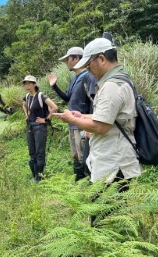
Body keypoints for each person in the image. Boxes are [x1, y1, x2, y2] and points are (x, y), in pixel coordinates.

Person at [52, 38, 142, 186]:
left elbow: (101, 127)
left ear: (101, 59)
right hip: (114, 162)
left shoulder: (111, 86)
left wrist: (72, 119)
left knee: (106, 207)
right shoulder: (120, 80)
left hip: (113, 165)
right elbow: (111, 118)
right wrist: (82, 116)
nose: (88, 70)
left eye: (89, 65)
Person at [48, 47, 97, 181]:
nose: (66, 63)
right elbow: (67, 98)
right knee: (75, 156)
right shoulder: (74, 78)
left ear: (76, 58)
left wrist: (90, 128)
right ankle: (78, 187)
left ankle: (88, 188)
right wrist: (54, 86)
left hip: (83, 124)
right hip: (72, 123)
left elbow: (94, 101)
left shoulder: (88, 77)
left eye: (67, 60)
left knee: (84, 157)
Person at [22, 75, 58, 182]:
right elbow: (23, 104)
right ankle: (34, 177)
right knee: (32, 153)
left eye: (29, 83)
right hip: (30, 126)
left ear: (34, 84)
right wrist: (26, 114)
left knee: (39, 153)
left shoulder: (41, 96)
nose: (26, 85)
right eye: (25, 83)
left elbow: (55, 107)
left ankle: (39, 179)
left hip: (39, 127)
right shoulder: (27, 96)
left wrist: (46, 120)